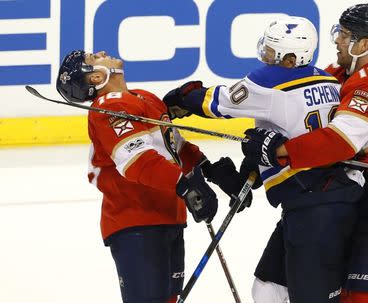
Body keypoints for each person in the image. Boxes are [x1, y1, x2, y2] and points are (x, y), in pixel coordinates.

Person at [163, 16, 365, 303]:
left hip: (317, 208)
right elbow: (284, 130)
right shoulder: (330, 81)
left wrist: (184, 97)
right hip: (319, 199)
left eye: (272, 52)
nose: (265, 57)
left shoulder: (272, 79)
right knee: (267, 287)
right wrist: (250, 173)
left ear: (291, 58)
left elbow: (218, 103)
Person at [241, 4, 368, 303]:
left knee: (362, 297)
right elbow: (302, 121)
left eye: (344, 34)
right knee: (275, 286)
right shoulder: (336, 73)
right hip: (341, 187)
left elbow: (340, 142)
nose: (336, 39)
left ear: (363, 45)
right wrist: (254, 164)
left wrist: (280, 151)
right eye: (338, 31)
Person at [55, 50, 250, 303]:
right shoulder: (108, 106)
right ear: (94, 78)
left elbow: (174, 148)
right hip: (135, 219)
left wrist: (209, 170)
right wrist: (187, 187)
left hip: (169, 214)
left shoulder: (142, 97)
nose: (101, 53)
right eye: (93, 58)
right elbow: (138, 162)